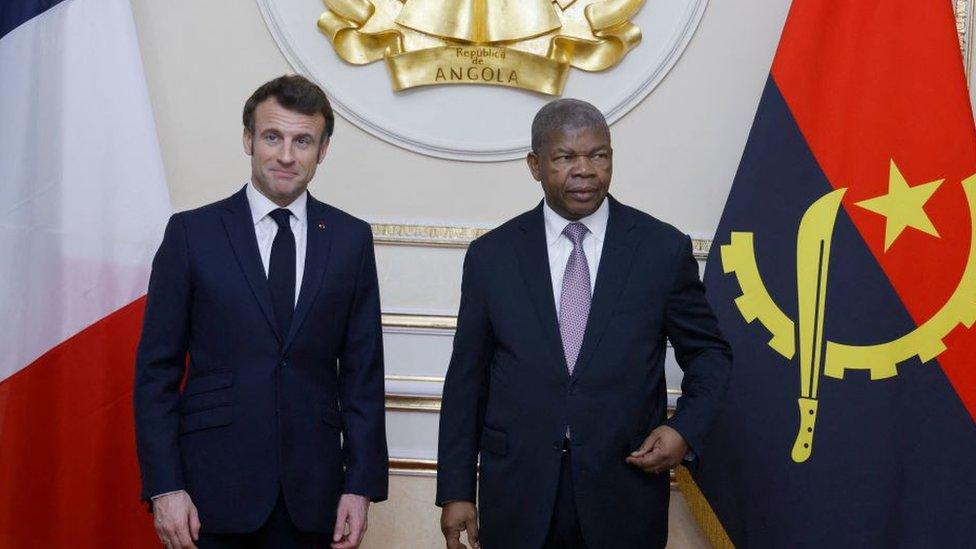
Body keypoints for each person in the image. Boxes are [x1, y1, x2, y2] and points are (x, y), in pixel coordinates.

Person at [436, 98, 732, 549]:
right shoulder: (491, 257)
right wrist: (456, 490)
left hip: (624, 493)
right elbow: (466, 380)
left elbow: (709, 353)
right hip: (519, 494)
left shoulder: (661, 249)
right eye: (565, 157)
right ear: (535, 165)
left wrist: (684, 429)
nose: (586, 170)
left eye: (599, 155)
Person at [134, 75, 388, 549]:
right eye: (272, 137)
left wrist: (361, 485)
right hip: (209, 497)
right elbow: (156, 372)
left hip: (315, 500)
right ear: (249, 139)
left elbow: (362, 375)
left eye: (303, 141)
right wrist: (165, 487)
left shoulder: (351, 240)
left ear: (323, 149)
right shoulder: (192, 234)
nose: (287, 155)